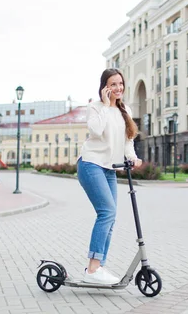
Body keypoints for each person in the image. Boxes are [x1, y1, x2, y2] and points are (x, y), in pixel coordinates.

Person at [77, 68, 142, 285]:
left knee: (110, 217)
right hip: (91, 164)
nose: (118, 88)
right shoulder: (95, 108)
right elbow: (96, 131)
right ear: (105, 87)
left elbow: (128, 141)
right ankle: (93, 269)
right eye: (113, 84)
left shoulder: (126, 110)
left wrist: (133, 158)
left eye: (120, 83)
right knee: (106, 212)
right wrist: (105, 106)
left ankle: (98, 267)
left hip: (110, 169)